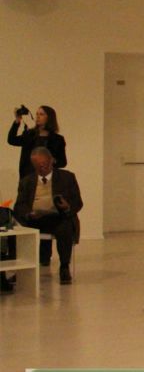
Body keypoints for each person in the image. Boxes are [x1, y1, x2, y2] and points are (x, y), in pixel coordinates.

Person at [14, 147, 83, 284]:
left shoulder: (67, 177)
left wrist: (67, 207)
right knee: (17, 231)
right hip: (35, 220)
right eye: (37, 166)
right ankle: (20, 269)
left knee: (65, 227)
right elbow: (19, 205)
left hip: (59, 218)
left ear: (52, 161)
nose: (42, 168)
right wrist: (28, 214)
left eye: (44, 164)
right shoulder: (27, 181)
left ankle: (64, 266)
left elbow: (78, 202)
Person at [8, 105, 68, 180]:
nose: (38, 116)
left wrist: (52, 161)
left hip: (47, 179)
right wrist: (17, 120)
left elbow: (63, 162)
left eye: (41, 114)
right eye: (37, 114)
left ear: (49, 118)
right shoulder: (29, 135)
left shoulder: (57, 139)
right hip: (28, 177)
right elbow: (11, 140)